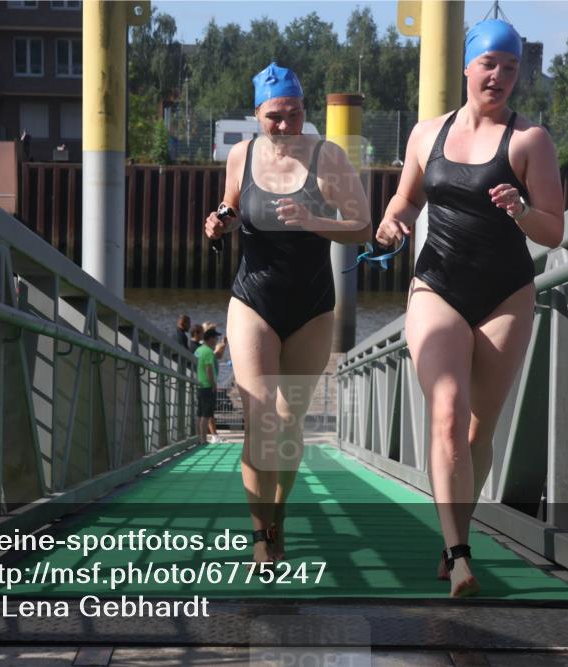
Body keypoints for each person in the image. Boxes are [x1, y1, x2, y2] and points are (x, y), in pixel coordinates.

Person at [376, 19, 564, 597]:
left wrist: (521, 210)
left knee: (481, 428)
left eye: (510, 68)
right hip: (437, 286)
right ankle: (460, 554)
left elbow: (554, 230)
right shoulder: (426, 134)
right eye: (489, 64)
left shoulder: (530, 140)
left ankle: (452, 537)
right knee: (447, 413)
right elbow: (405, 200)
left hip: (506, 293)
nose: (499, 76)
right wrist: (392, 223)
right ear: (467, 66)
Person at [204, 62, 371, 563]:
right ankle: (261, 538)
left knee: (288, 421)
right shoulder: (241, 155)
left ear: (305, 111)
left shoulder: (328, 157)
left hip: (312, 308)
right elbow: (232, 204)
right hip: (253, 300)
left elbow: (362, 227)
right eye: (274, 116)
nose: (284, 125)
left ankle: (277, 513)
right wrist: (220, 222)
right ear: (257, 114)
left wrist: (312, 219)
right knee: (259, 418)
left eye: (294, 114)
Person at [196, 328, 222, 444]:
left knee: (200, 413)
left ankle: (199, 438)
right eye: (216, 338)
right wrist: (213, 384)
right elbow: (209, 369)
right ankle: (203, 439)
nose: (217, 340)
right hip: (207, 386)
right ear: (210, 338)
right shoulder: (209, 352)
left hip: (199, 384)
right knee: (206, 414)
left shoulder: (198, 350)